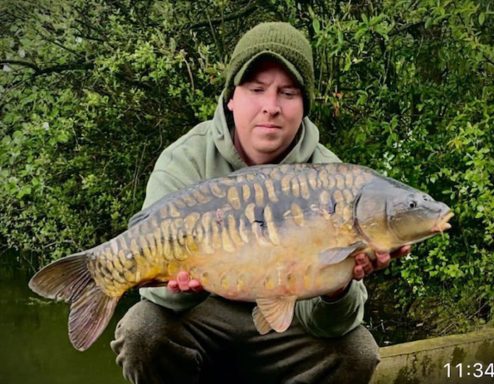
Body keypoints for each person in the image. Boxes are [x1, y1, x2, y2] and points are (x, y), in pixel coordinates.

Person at [111, 22, 409, 384]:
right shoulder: (184, 161)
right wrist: (183, 287)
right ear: (231, 97)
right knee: (142, 331)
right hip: (204, 313)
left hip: (289, 323)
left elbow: (332, 325)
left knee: (358, 352)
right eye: (256, 89)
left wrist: (337, 288)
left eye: (288, 93)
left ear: (304, 105)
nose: (271, 107)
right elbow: (158, 300)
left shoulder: (334, 179)